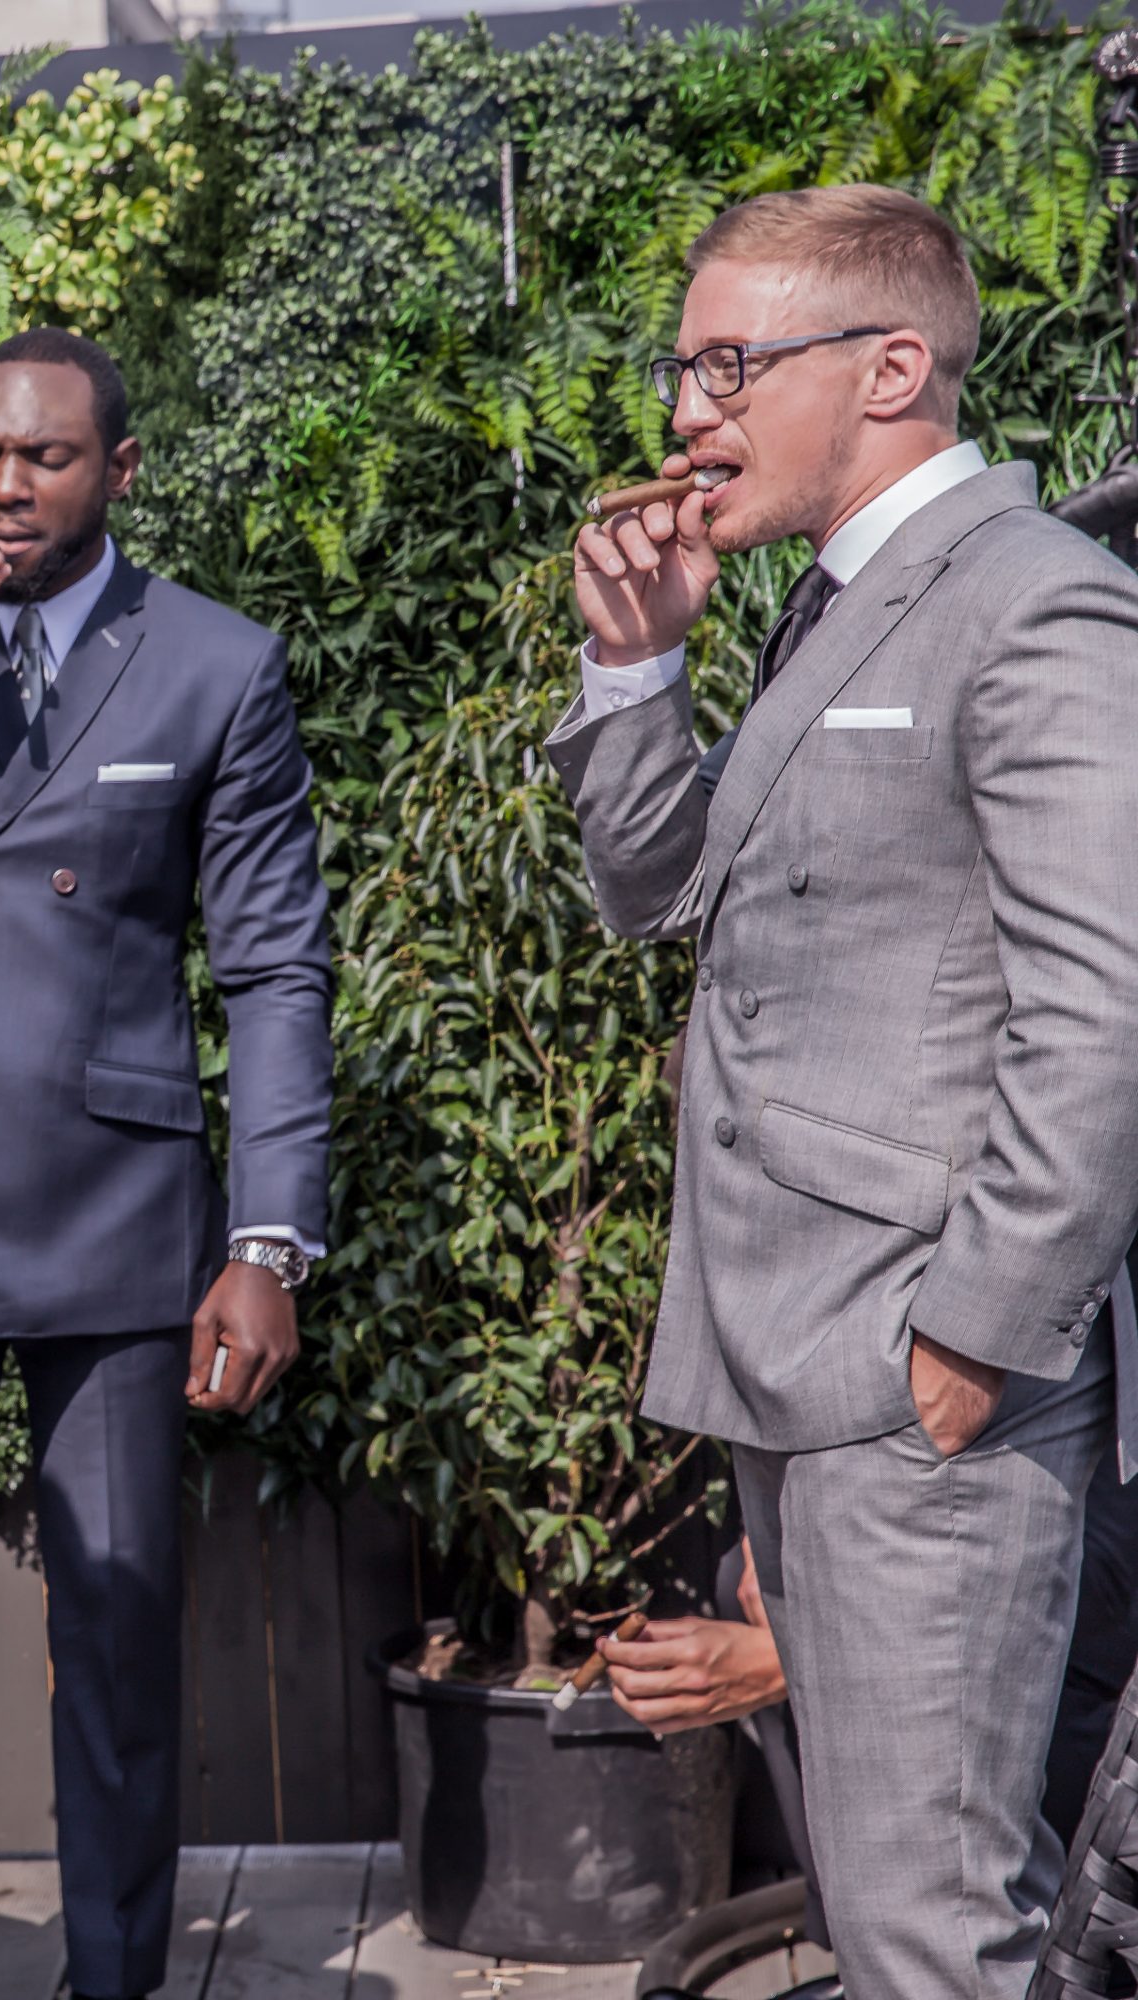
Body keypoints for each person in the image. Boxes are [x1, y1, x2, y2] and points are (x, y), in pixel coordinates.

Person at [552, 184, 1138, 1998]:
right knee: (897, 1918)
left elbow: (1109, 1008)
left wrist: (968, 1340)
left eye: (730, 365)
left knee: (929, 1932)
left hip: (920, 1384)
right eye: (683, 368)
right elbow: (656, 891)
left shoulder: (1036, 600)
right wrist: (639, 661)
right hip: (803, 1370)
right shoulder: (839, 607)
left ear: (891, 369)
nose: (686, 412)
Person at [0, 328, 335, 2000]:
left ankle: (117, 1977)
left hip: (115, 1219)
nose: (6, 486)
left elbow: (273, 967)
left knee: (113, 1634)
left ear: (116, 467)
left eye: (44, 457)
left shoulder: (212, 665)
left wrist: (268, 1241)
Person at [603, 1455, 1138, 1951]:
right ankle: (857, 1938)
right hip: (908, 1451)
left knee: (1068, 1637)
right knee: (747, 1584)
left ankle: (1038, 1941)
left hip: (1078, 1454)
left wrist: (789, 1660)